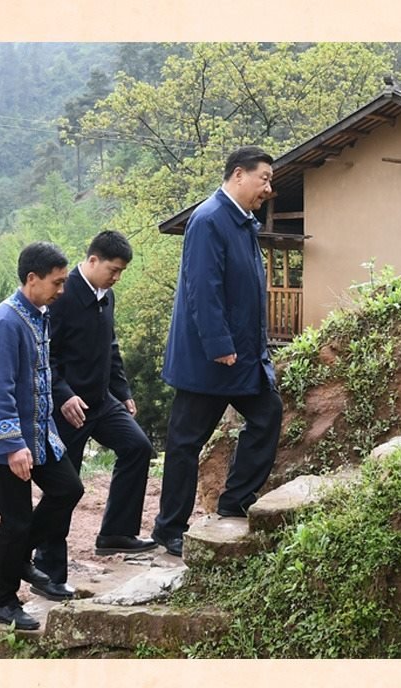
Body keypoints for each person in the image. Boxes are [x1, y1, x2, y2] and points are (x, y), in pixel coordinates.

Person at [151, 146, 283, 557]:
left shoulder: (243, 222)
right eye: (264, 178)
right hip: (210, 360)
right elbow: (202, 288)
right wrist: (218, 344)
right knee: (185, 442)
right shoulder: (209, 219)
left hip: (243, 356)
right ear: (239, 175)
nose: (268, 188)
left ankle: (235, 501)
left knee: (267, 414)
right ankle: (170, 528)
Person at [0, 242, 84, 630]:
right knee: (15, 521)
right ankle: (0, 600)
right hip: (3, 440)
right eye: (57, 282)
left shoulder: (39, 314)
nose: (61, 290)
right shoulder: (4, 323)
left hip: (37, 431)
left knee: (68, 489)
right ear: (32, 279)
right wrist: (13, 445)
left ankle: (18, 560)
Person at [32, 231, 156, 594]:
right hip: (67, 409)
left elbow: (110, 347)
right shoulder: (62, 295)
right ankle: (48, 571)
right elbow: (45, 356)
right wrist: (63, 395)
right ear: (92, 261)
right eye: (113, 270)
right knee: (64, 489)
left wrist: (123, 391)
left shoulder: (107, 296)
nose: (116, 277)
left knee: (138, 447)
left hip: (101, 402)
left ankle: (116, 532)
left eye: (121, 272)